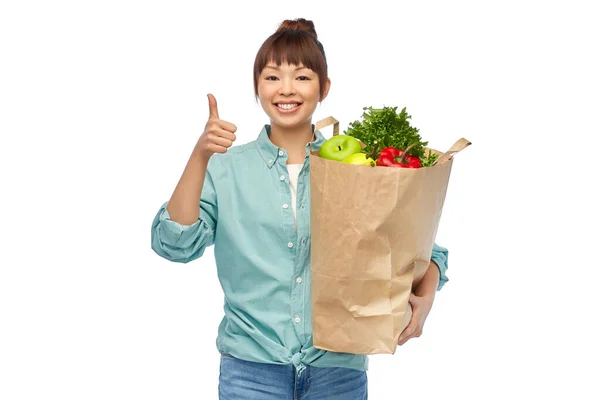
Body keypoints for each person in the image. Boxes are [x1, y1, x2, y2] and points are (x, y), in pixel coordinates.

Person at [151, 18, 449, 400]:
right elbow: (173, 244)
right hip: (250, 372)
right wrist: (200, 155)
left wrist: (426, 298)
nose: (286, 89)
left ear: (324, 88)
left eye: (302, 77)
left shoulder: (355, 167)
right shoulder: (226, 169)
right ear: (257, 87)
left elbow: (421, 247)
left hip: (338, 370)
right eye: (273, 77)